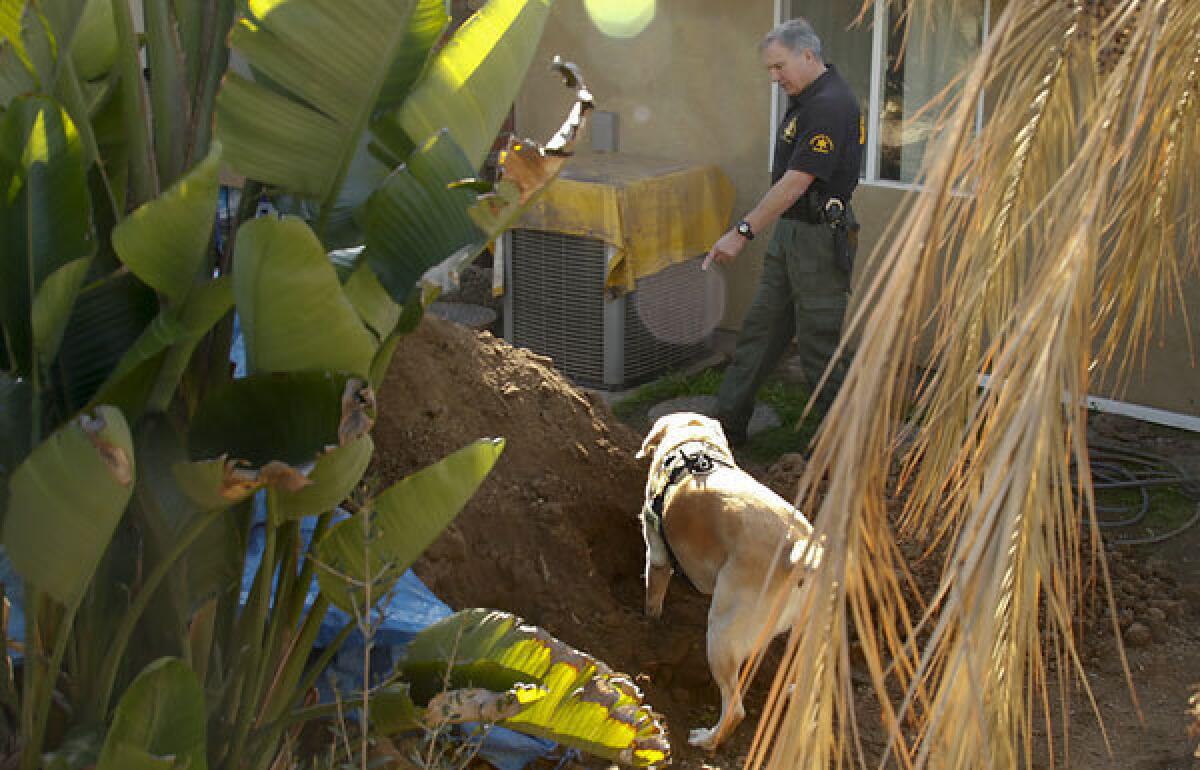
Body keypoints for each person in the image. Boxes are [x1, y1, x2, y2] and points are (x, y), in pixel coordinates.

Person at [707, 17, 864, 446]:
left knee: (818, 347)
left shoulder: (830, 103)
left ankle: (845, 446)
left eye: (780, 67)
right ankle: (727, 427)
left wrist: (742, 230)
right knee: (760, 330)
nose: (774, 77)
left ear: (808, 55)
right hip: (791, 231)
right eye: (770, 70)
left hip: (817, 238)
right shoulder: (808, 97)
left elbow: (798, 181)